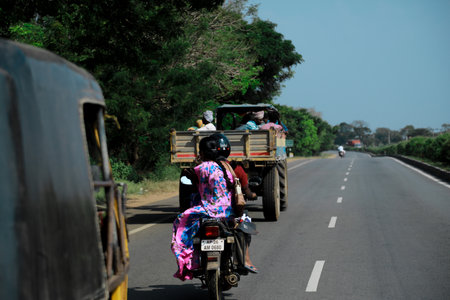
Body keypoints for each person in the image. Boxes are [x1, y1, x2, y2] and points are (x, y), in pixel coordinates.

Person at [171, 136, 234, 281]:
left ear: (203, 153)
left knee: (180, 220)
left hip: (209, 209)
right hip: (226, 210)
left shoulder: (201, 168)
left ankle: (188, 261)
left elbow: (189, 179)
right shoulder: (225, 167)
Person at [210, 133, 258, 273]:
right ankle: (244, 260)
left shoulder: (203, 168)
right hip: (229, 214)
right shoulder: (236, 168)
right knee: (245, 225)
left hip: (204, 212)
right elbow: (246, 191)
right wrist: (251, 194)